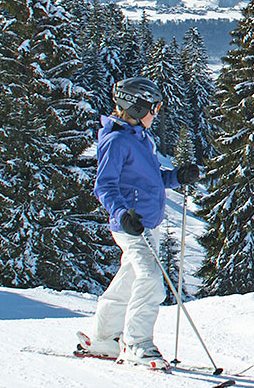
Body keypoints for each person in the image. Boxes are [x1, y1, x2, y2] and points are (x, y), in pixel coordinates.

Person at [81, 77, 200, 368]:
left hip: (148, 223)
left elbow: (151, 179)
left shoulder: (141, 138)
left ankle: (103, 339)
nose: (155, 114)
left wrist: (177, 177)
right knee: (150, 279)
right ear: (134, 107)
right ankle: (137, 343)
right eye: (153, 108)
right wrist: (122, 214)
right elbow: (104, 186)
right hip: (132, 225)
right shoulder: (116, 141)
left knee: (128, 280)